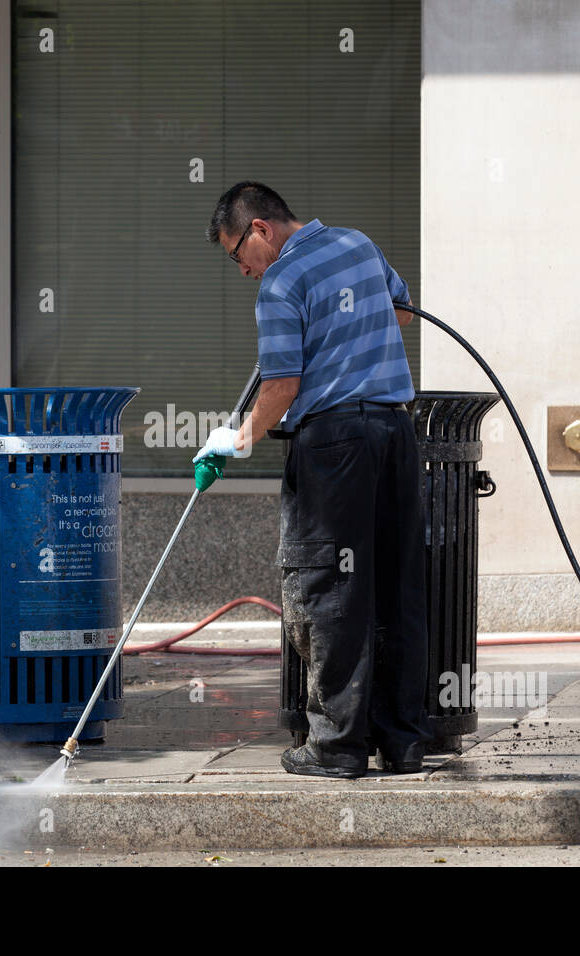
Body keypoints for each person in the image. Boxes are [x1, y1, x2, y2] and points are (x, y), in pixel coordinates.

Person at [193, 181, 432, 778]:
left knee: (331, 588)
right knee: (397, 586)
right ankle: (402, 742)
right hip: (395, 434)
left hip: (335, 448)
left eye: (235, 256)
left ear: (259, 231)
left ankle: (336, 747)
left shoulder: (279, 283)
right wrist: (345, 338)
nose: (242, 271)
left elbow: (280, 386)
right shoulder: (358, 243)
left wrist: (235, 439)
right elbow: (401, 310)